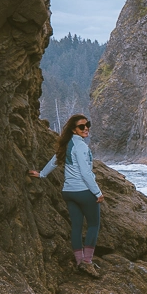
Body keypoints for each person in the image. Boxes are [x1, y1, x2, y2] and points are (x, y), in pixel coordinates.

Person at [30, 113, 104, 276]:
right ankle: (87, 262)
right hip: (84, 191)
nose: (86, 129)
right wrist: (97, 192)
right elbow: (85, 173)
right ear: (74, 129)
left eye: (87, 125)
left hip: (68, 192)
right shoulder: (82, 147)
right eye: (81, 127)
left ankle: (79, 262)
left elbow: (55, 160)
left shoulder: (67, 144)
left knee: (76, 227)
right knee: (93, 225)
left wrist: (42, 174)